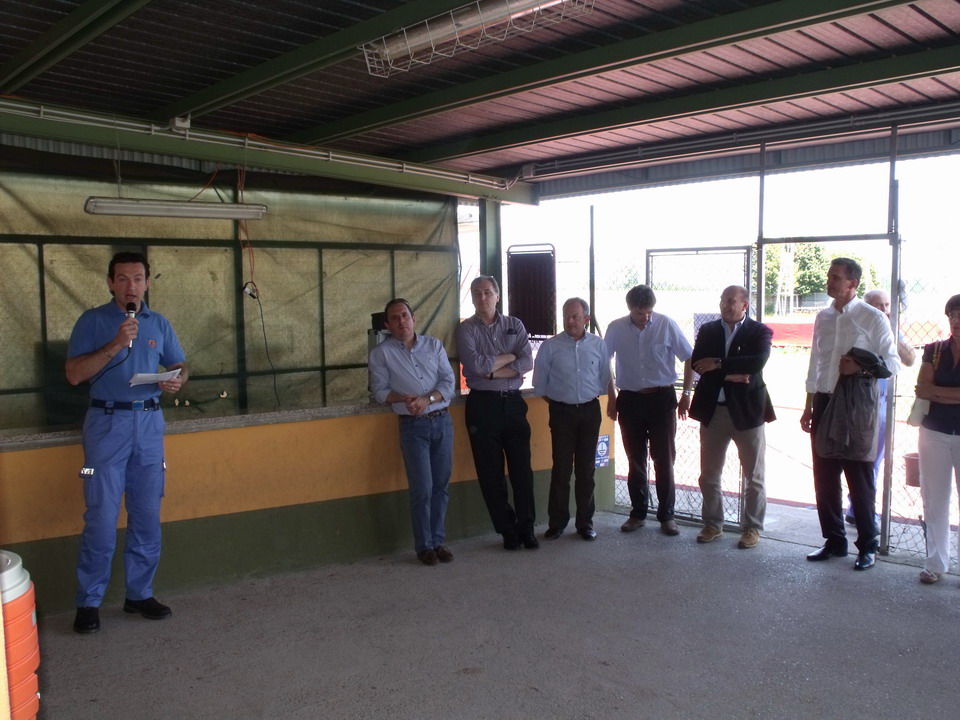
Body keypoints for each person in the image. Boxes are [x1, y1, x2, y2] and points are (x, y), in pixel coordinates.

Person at [66, 251, 187, 633]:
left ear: (147, 282)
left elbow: (180, 364)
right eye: (122, 279)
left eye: (137, 278)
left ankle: (139, 594)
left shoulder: (159, 323)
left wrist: (176, 379)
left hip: (148, 424)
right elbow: (73, 375)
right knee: (101, 518)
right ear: (110, 283)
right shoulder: (92, 321)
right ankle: (89, 602)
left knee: (147, 515)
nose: (130, 286)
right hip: (107, 424)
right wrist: (116, 344)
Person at [800, 258, 899, 571]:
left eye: (835, 277)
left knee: (859, 477)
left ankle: (867, 546)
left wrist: (860, 366)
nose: (829, 282)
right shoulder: (823, 317)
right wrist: (808, 404)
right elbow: (815, 361)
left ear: (852, 284)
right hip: (823, 401)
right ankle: (834, 541)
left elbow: (893, 363)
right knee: (824, 477)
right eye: (829, 276)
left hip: (856, 404)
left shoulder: (872, 318)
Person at [369, 298, 456, 567]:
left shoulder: (434, 345)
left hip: (442, 421)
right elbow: (380, 391)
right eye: (395, 318)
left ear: (414, 318)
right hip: (413, 426)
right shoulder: (381, 354)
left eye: (405, 315)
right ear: (387, 325)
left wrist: (426, 400)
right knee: (422, 488)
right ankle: (424, 545)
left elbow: (449, 382)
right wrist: (403, 398)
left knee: (440, 486)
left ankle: (438, 541)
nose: (401, 321)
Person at [689, 286, 776, 549]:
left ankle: (752, 528)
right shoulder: (708, 330)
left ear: (744, 304)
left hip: (748, 413)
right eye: (722, 301)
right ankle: (713, 524)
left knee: (754, 476)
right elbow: (697, 364)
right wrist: (729, 374)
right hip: (713, 412)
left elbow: (756, 363)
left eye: (731, 301)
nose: (725, 306)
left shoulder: (760, 331)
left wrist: (717, 365)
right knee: (709, 475)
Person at [455, 276, 537, 550]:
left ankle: (527, 529)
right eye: (477, 293)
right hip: (483, 407)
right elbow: (475, 367)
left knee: (522, 470)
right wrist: (510, 357)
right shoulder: (465, 329)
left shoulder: (515, 325)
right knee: (490, 474)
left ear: (497, 296)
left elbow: (527, 361)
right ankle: (507, 531)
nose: (483, 297)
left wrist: (493, 371)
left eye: (488, 292)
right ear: (472, 297)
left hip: (513, 404)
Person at [605, 284, 693, 536]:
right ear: (630, 309)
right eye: (639, 313)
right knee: (635, 459)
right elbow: (604, 361)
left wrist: (686, 394)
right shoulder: (616, 328)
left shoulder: (667, 324)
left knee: (664, 459)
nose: (645, 317)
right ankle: (638, 513)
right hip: (630, 400)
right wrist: (611, 397)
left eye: (649, 312)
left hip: (662, 399)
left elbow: (689, 357)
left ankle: (667, 516)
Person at [533, 297, 611, 541]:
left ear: (586, 318)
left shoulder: (599, 345)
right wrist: (562, 402)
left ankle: (585, 523)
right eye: (566, 316)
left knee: (586, 471)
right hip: (561, 413)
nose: (570, 321)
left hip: (590, 412)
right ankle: (557, 523)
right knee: (561, 470)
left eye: (575, 316)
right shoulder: (550, 347)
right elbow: (540, 385)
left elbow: (604, 380)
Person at [844, 289, 916, 523]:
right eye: (878, 305)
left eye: (886, 305)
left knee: (874, 460)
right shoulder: (858, 326)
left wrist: (891, 329)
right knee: (858, 459)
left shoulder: (890, 329)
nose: (883, 310)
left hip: (883, 403)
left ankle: (859, 509)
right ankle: (861, 510)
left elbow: (910, 358)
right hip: (859, 400)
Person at [913, 295, 960, 584]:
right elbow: (922, 389)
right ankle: (935, 564)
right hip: (934, 432)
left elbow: (931, 390)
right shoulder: (934, 350)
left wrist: (938, 393)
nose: (956, 321)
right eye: (952, 315)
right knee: (934, 499)